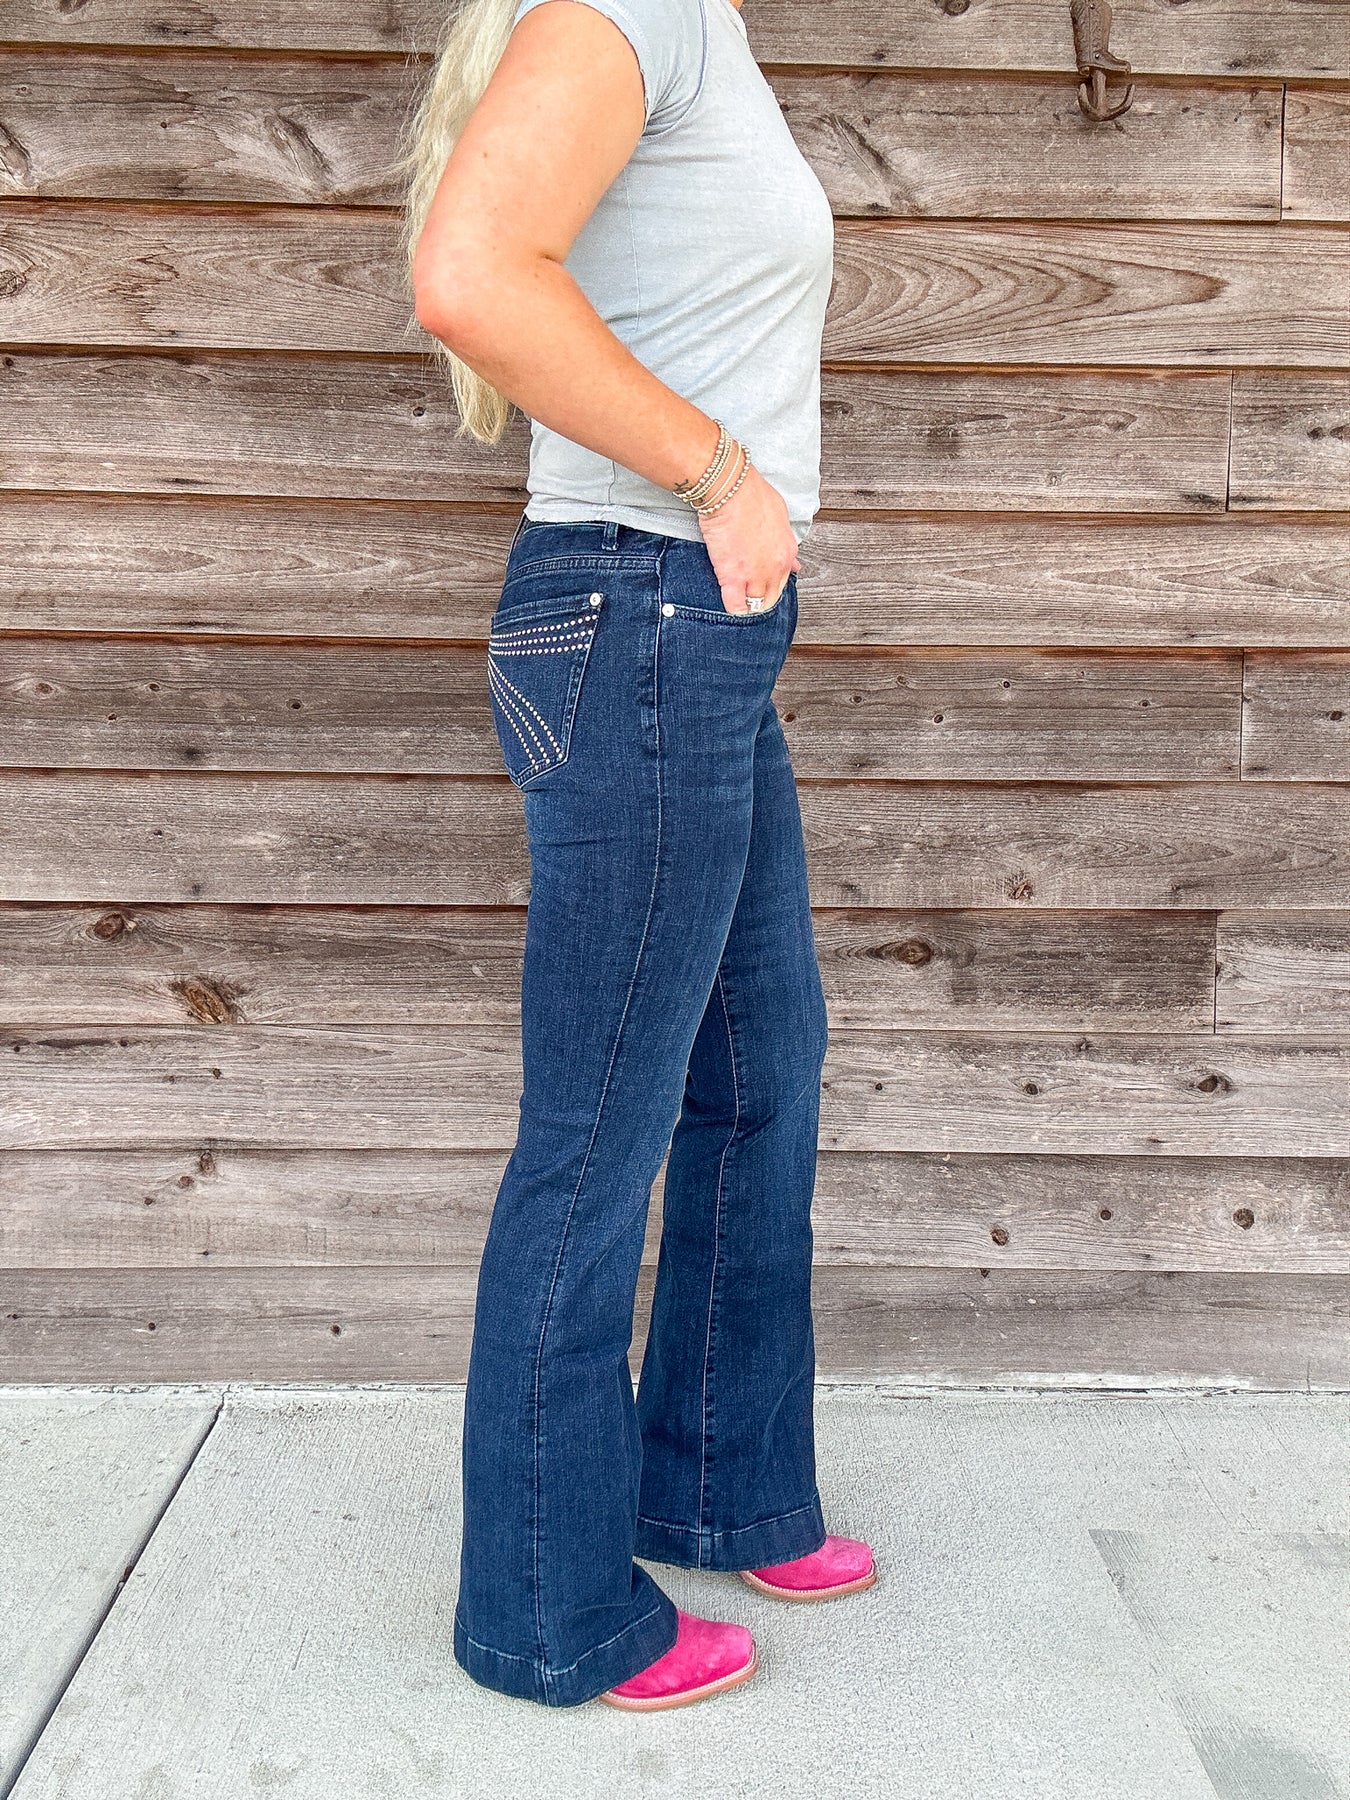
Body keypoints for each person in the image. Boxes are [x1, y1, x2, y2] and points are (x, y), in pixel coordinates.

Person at [404, 0, 876, 1712]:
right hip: (643, 607)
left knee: (759, 1067)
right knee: (598, 1123)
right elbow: (469, 273)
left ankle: (714, 1481)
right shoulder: (630, 7)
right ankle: (546, 1609)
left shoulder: (695, 23)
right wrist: (721, 472)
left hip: (693, 629)